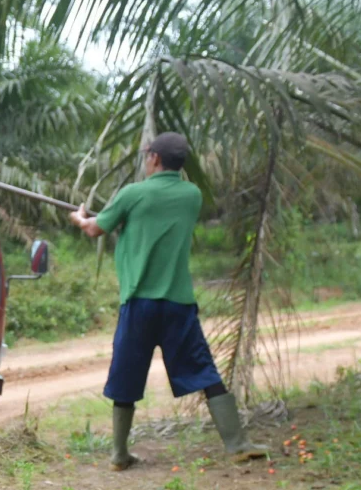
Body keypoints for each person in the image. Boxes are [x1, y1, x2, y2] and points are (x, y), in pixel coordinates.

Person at [69, 132, 268, 470]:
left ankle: (118, 454)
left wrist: (80, 216)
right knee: (204, 371)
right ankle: (237, 443)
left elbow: (93, 229)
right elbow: (148, 217)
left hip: (138, 303)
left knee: (127, 374)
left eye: (148, 155)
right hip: (177, 302)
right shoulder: (191, 196)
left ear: (155, 159)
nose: (146, 160)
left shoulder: (132, 194)